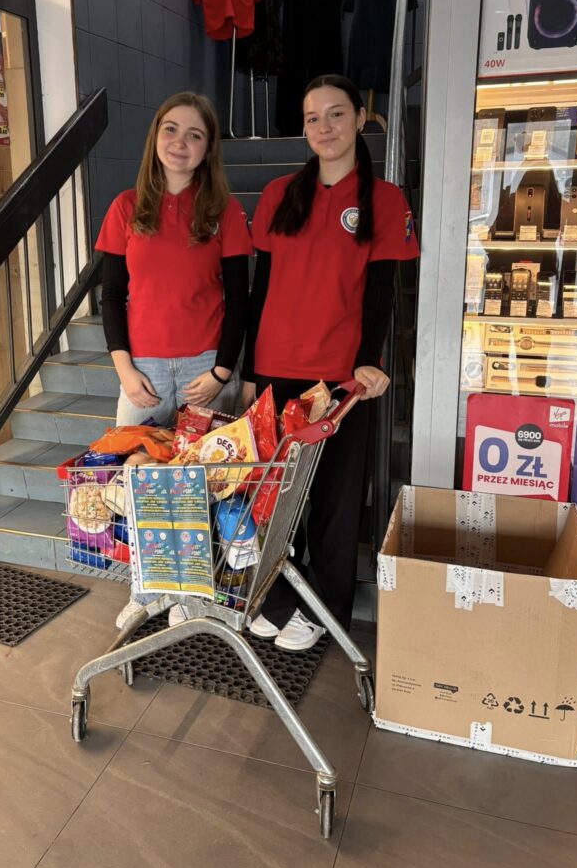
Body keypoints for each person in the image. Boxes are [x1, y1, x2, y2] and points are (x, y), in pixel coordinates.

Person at [241, 74, 420, 651]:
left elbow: (382, 290)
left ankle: (324, 609)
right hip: (275, 367)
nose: (324, 127)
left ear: (361, 119)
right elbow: (260, 288)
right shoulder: (279, 195)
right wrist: (248, 372)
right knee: (275, 496)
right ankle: (277, 597)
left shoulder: (384, 200)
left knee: (336, 500)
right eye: (313, 117)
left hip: (341, 378)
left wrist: (369, 362)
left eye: (336, 114)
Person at [95, 91, 252, 626]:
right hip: (142, 372)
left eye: (194, 134)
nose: (180, 142)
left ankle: (191, 592)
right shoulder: (125, 208)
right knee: (138, 484)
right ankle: (146, 590)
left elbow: (240, 299)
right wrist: (124, 369)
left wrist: (222, 372)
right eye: (171, 129)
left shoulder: (225, 212)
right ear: (155, 137)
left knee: (202, 485)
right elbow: (110, 296)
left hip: (204, 367)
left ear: (208, 149)